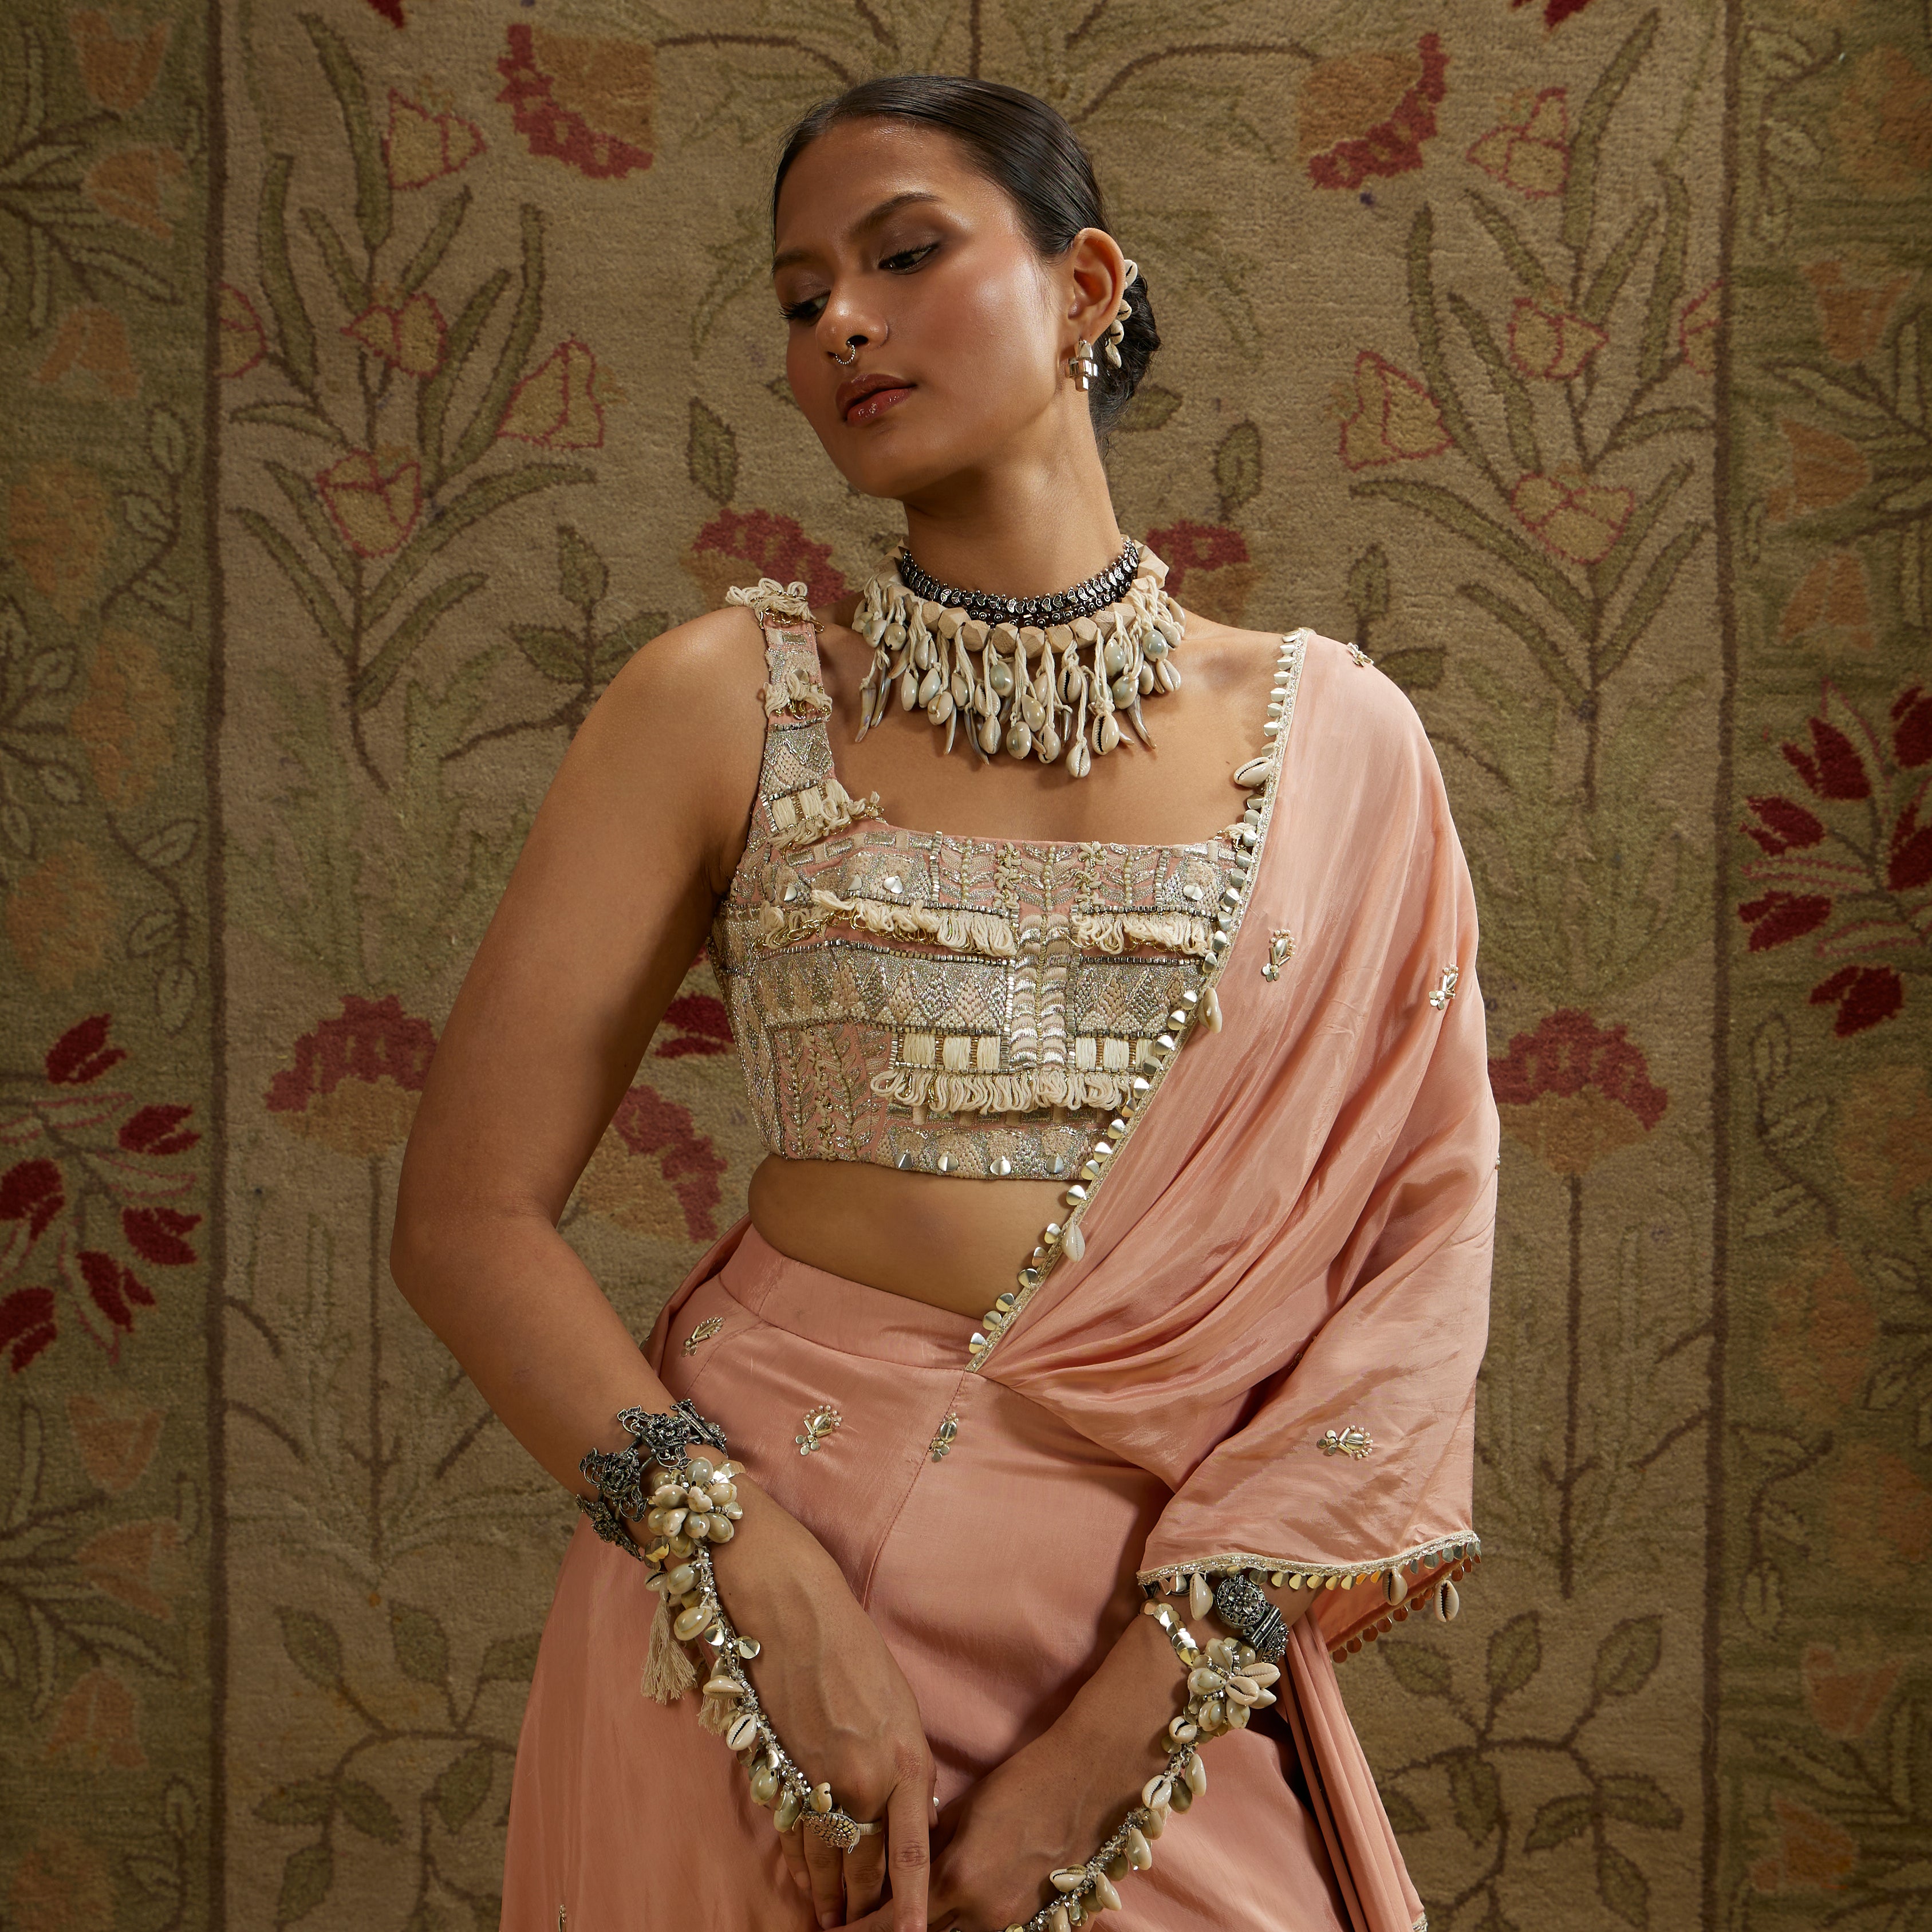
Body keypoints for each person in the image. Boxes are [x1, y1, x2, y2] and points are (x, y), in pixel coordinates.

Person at [391, 74, 1496, 1932]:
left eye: (905, 254)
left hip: (1151, 1642)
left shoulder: (1341, 746)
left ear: (1086, 288)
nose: (838, 321)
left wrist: (1115, 1742)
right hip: (752, 1615)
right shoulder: (724, 702)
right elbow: (464, 1215)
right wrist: (745, 1564)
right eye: (798, 292)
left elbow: (1406, 1293)